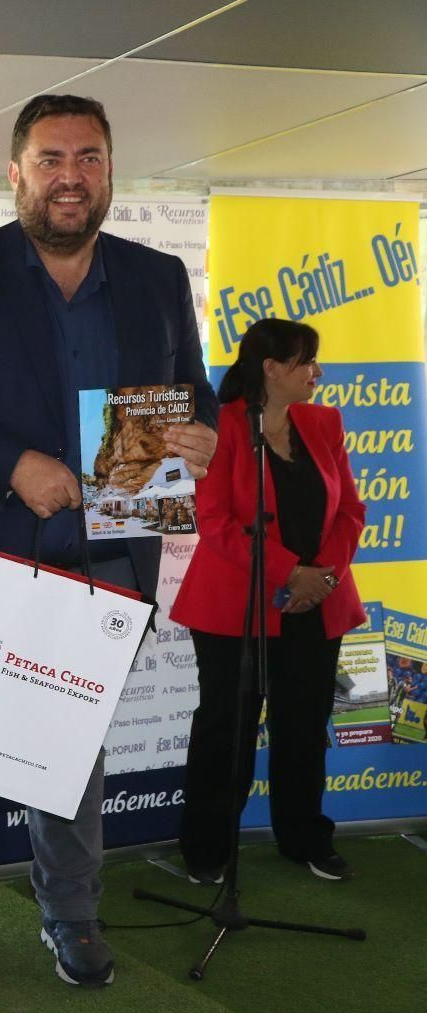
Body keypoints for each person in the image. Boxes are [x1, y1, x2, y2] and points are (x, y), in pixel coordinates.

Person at [0, 94, 219, 993]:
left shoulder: (155, 277)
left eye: (88, 158)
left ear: (109, 171)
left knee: (74, 750)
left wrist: (203, 432)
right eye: (50, 159)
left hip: (103, 556)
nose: (70, 176)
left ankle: (71, 913)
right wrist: (14, 466)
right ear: (16, 173)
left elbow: (193, 391)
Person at [171, 319, 364, 882]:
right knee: (225, 729)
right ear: (271, 369)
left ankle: (304, 837)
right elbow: (215, 523)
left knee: (304, 725)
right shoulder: (223, 427)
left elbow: (351, 510)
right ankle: (207, 851)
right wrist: (289, 573)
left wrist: (320, 577)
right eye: (307, 362)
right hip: (234, 607)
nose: (317, 373)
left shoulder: (324, 422)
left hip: (317, 603)